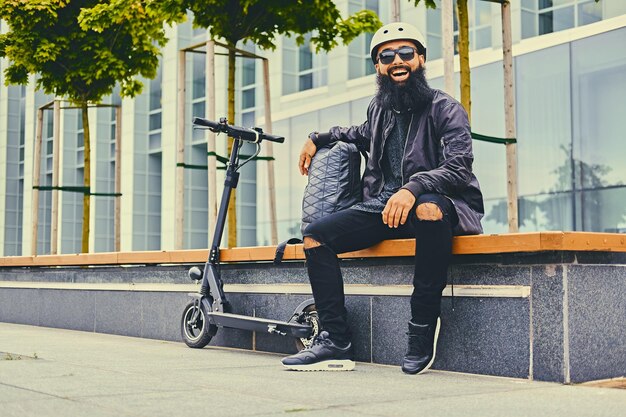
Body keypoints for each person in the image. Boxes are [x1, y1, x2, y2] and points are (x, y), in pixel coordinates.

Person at [281, 22, 484, 373]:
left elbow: (458, 168)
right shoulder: (379, 109)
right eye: (386, 56)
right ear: (378, 66)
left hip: (440, 206)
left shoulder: (446, 109)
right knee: (315, 236)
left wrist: (413, 188)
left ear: (421, 59)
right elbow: (357, 133)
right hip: (383, 207)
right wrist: (319, 136)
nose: (397, 61)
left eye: (406, 53)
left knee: (429, 210)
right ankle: (335, 340)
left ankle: (422, 326)